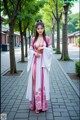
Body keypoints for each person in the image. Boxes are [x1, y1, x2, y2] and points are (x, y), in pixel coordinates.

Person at [26, 20, 53, 114]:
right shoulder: (33, 39)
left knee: (42, 83)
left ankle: (41, 105)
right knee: (35, 82)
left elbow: (50, 50)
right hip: (35, 62)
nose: (40, 30)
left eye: (41, 28)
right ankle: (35, 105)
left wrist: (43, 48)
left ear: (44, 28)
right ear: (36, 29)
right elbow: (30, 49)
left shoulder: (47, 38)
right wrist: (34, 53)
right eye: (38, 28)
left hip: (43, 63)